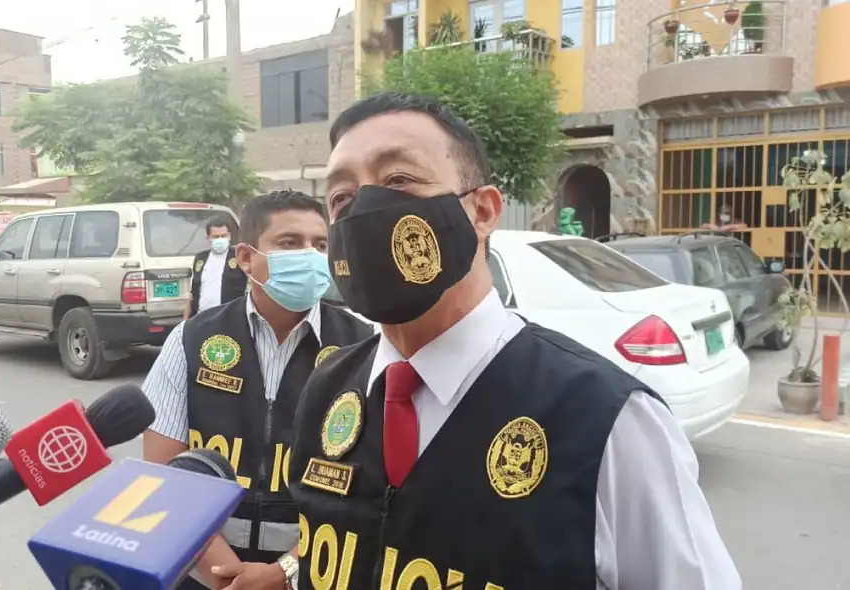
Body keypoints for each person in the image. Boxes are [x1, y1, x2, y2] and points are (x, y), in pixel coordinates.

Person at [288, 92, 741, 589]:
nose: (364, 212)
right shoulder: (327, 389)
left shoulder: (605, 420)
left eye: (399, 180)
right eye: (341, 198)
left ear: (482, 211)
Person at [142, 190, 374, 590]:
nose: (309, 256)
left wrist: (282, 575)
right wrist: (228, 579)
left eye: (320, 245)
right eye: (290, 243)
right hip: (201, 572)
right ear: (246, 257)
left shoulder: (364, 347)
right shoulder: (191, 340)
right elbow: (162, 478)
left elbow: (371, 493)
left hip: (312, 576)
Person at [187, 216, 247, 319]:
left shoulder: (239, 256)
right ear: (208, 238)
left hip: (229, 318)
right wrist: (185, 321)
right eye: (215, 237)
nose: (220, 239)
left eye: (223, 236)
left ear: (229, 236)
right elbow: (193, 294)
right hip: (201, 318)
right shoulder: (200, 259)